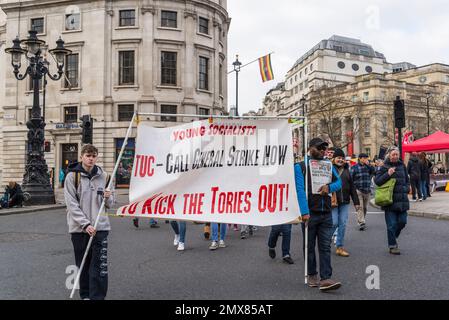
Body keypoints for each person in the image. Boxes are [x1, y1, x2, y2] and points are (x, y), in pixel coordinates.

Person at [64, 144, 115, 300]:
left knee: (99, 267)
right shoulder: (72, 177)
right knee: (83, 265)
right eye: (88, 155)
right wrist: (85, 224)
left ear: (96, 157)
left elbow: (110, 204)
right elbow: (71, 204)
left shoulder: (105, 176)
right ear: (81, 157)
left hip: (100, 228)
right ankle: (85, 295)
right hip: (80, 230)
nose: (91, 159)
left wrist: (108, 197)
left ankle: (97, 297)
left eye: (93, 156)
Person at [300, 138, 342, 292]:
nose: (323, 151)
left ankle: (326, 278)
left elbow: (339, 183)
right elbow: (299, 190)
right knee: (309, 246)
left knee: (325, 246)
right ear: (310, 148)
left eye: (325, 149)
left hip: (326, 212)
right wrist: (304, 212)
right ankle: (312, 274)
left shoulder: (329, 165)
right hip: (310, 213)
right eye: (320, 148)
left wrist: (329, 187)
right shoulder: (301, 166)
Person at [268, 161, 310, 265]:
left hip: (289, 204)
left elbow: (298, 189)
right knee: (276, 229)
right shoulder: (273, 173)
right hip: (277, 205)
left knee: (287, 231)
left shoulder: (293, 172)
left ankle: (286, 254)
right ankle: (271, 245)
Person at [374, 146, 410, 255]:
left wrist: (407, 187)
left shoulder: (402, 165)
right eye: (393, 154)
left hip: (402, 200)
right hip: (389, 200)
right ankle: (392, 246)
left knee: (402, 222)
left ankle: (393, 236)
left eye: (397, 154)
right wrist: (388, 174)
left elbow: (407, 180)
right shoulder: (384, 166)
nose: (395, 156)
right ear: (389, 155)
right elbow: (377, 181)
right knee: (391, 225)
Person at [331, 149, 360, 257]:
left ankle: (339, 247)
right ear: (334, 159)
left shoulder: (348, 170)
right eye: (338, 158)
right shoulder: (329, 169)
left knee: (342, 223)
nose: (340, 160)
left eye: (342, 158)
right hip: (333, 201)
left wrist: (356, 202)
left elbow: (352, 187)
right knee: (334, 222)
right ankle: (325, 240)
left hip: (345, 202)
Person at [351, 153, 375, 231]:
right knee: (360, 207)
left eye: (366, 158)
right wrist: (353, 190)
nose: (366, 159)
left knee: (365, 208)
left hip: (367, 190)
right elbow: (351, 179)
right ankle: (361, 222)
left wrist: (369, 165)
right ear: (360, 158)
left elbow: (374, 172)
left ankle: (362, 219)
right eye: (364, 158)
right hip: (358, 190)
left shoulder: (368, 167)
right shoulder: (354, 167)